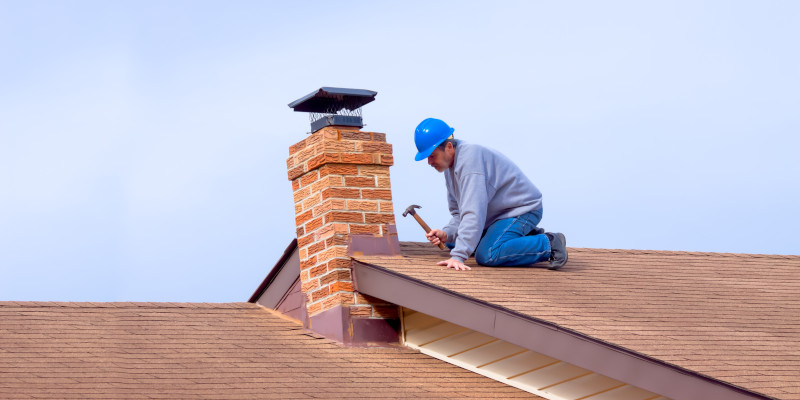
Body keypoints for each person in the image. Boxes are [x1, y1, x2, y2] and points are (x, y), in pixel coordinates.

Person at [414, 117, 568, 271]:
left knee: (488, 254)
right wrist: (446, 233)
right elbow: (458, 214)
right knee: (452, 241)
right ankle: (520, 238)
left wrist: (458, 256)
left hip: (521, 210)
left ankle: (549, 243)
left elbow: (473, 213)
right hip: (496, 215)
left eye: (432, 156)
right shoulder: (450, 167)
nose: (429, 162)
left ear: (448, 147)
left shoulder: (470, 162)